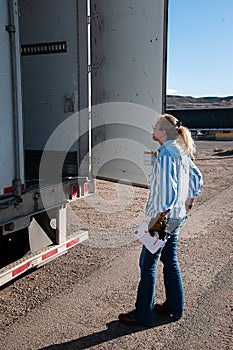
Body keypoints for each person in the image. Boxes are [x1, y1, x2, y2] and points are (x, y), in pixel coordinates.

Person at [118, 113, 203, 327]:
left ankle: (142, 314)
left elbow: (168, 190)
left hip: (164, 218)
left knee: (147, 264)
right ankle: (174, 307)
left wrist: (159, 220)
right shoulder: (180, 150)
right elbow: (197, 177)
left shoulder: (166, 153)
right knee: (169, 261)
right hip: (176, 217)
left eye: (155, 126)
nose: (152, 129)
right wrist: (188, 201)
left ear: (163, 132)